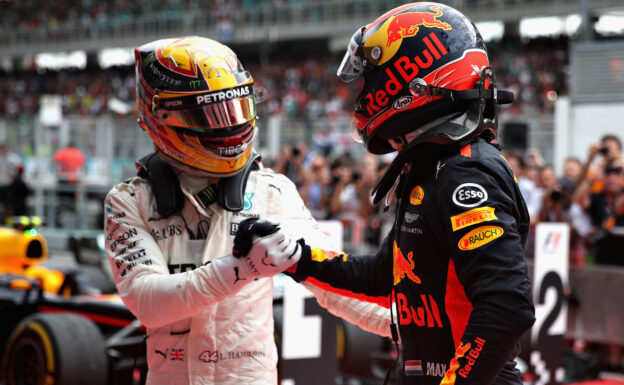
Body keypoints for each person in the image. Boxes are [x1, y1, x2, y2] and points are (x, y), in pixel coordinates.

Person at [239, 3, 536, 384]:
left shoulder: (464, 172)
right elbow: (388, 276)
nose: (364, 94)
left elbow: (508, 306)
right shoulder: (434, 165)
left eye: (371, 80)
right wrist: (297, 258)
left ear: (410, 77)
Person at [103, 36, 390, 385]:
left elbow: (334, 285)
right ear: (161, 115)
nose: (227, 125)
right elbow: (147, 302)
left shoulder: (272, 191)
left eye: (233, 108)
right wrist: (241, 269)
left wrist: (415, 327)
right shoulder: (129, 202)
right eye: (208, 113)